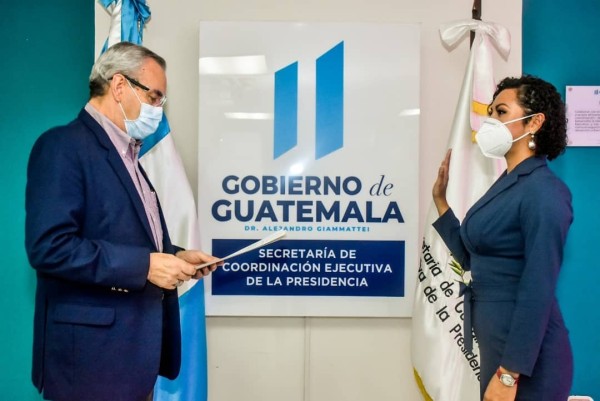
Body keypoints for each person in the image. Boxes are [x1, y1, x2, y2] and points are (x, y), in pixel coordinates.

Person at [25, 42, 220, 401]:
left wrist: (176, 257)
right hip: (91, 363)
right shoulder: (63, 146)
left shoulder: (129, 155)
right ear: (119, 86)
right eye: (154, 96)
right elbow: (50, 247)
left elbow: (124, 236)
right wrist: (146, 266)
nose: (158, 109)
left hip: (133, 360)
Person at [432, 75, 573, 401]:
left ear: (534, 122)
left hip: (527, 363)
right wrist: (441, 203)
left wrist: (509, 374)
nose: (490, 121)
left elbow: (538, 287)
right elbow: (473, 259)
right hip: (498, 349)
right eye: (490, 112)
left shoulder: (544, 192)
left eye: (501, 112)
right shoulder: (509, 184)